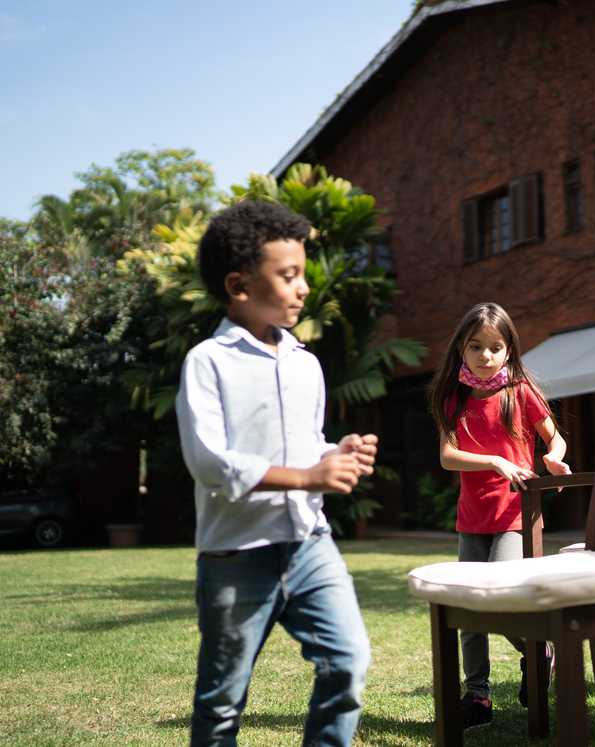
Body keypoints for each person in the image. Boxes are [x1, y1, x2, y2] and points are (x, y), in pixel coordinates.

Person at [176, 200, 379, 747]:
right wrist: (310, 478)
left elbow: (306, 446)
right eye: (289, 275)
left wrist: (339, 451)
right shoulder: (207, 363)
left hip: (311, 545)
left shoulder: (304, 362)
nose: (304, 288)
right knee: (221, 702)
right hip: (238, 556)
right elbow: (210, 463)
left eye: (303, 274)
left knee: (348, 664)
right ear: (240, 285)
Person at [428, 301, 571, 730]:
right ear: (461, 349)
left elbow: (556, 440)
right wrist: (494, 461)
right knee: (467, 605)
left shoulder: (522, 392)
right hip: (471, 517)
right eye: (476, 347)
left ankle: (536, 649)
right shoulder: (454, 396)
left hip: (516, 513)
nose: (485, 356)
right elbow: (449, 456)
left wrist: (553, 460)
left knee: (498, 593)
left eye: (495, 347)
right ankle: (477, 697)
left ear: (509, 351)